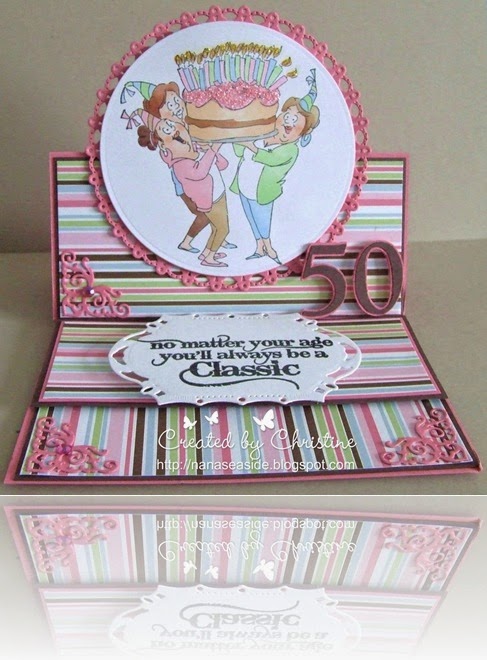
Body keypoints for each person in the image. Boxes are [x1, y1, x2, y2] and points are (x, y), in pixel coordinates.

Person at [122, 80, 236, 254]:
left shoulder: (184, 121)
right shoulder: (167, 133)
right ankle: (190, 242)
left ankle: (218, 238)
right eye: (169, 105)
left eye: (176, 101)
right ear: (160, 114)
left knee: (212, 212)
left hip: (199, 168)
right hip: (188, 177)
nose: (176, 106)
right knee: (204, 212)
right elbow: (187, 166)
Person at [230, 70, 320, 264]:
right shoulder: (263, 132)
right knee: (250, 217)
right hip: (243, 185)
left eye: (295, 120)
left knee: (262, 219)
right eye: (287, 115)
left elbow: (270, 159)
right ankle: (259, 247)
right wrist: (240, 136)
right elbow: (239, 151)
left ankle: (269, 248)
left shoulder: (290, 150)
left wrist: (251, 145)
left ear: (303, 132)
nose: (288, 121)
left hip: (262, 191)